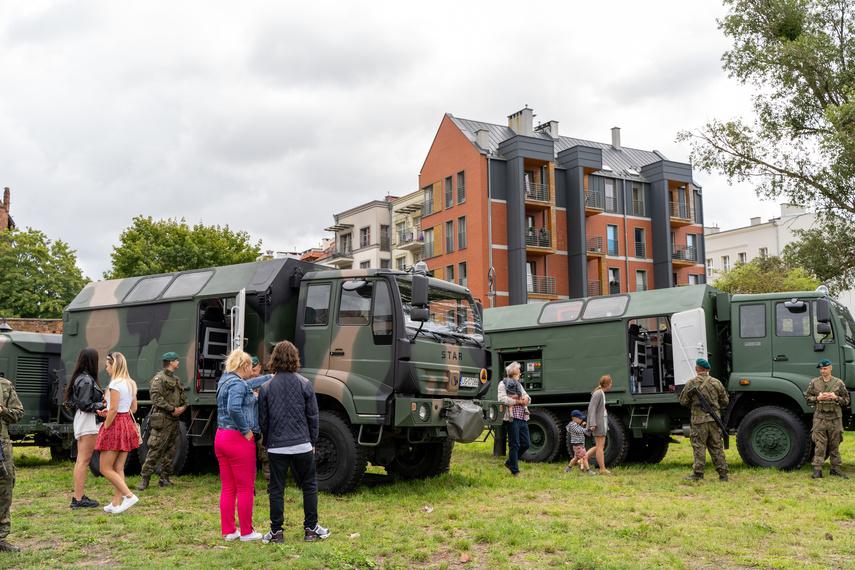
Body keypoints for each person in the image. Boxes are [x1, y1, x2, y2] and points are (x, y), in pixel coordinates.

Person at [259, 341, 330, 543]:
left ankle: (276, 532)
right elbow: (313, 417)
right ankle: (310, 529)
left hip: (276, 446)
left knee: (276, 488)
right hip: (302, 444)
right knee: (308, 485)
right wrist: (312, 441)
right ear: (295, 358)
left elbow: (263, 420)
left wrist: (268, 440)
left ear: (274, 360)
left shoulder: (265, 387)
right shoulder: (305, 383)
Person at [215, 349, 272, 542]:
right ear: (245, 366)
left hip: (221, 437)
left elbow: (247, 384)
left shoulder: (225, 381)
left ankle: (230, 531)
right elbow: (234, 407)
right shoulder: (238, 384)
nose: (252, 371)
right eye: (251, 367)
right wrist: (246, 430)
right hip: (237, 439)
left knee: (228, 488)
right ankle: (247, 532)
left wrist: (268, 377)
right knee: (246, 489)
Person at [95, 352, 140, 513]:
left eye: (107, 365)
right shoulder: (131, 383)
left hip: (115, 424)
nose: (106, 368)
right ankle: (115, 503)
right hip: (127, 423)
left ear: (114, 365)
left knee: (105, 468)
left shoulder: (115, 384)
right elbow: (133, 409)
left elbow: (113, 409)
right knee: (118, 467)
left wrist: (106, 425)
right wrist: (113, 409)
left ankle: (128, 496)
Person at [63, 347, 106, 509]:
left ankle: (78, 497)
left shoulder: (80, 378)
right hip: (88, 420)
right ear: (92, 361)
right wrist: (103, 404)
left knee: (81, 460)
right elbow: (85, 404)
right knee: (83, 460)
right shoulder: (87, 380)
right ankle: (78, 499)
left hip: (83, 419)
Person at [138, 352, 188, 491]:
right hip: (163, 419)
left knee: (171, 450)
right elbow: (156, 399)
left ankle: (164, 478)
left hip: (174, 420)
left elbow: (185, 399)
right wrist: (172, 409)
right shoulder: (159, 379)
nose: (178, 362)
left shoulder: (176, 380)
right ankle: (145, 479)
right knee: (156, 448)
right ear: (171, 362)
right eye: (177, 361)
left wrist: (182, 408)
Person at [679, 358, 728, 481]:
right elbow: (725, 401)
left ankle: (698, 474)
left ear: (696, 368)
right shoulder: (716, 383)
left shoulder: (691, 383)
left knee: (699, 446)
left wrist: (694, 403)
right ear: (708, 369)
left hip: (698, 421)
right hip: (714, 420)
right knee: (716, 446)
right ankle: (723, 475)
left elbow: (683, 401)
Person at [805, 359, 850, 479]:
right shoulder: (815, 383)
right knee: (820, 444)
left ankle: (835, 469)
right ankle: (817, 470)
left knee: (834, 444)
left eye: (825, 368)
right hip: (820, 418)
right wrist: (817, 398)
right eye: (821, 369)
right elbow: (808, 397)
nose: (822, 371)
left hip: (835, 418)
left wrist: (835, 397)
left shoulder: (838, 383)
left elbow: (846, 400)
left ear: (830, 368)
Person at [0, 373, 24, 552]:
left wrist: (3, 411)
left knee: (5, 490)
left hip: (2, 447)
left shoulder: (5, 385)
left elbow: (18, 413)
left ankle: (0, 538)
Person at [498, 362, 530, 477]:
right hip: (511, 419)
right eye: (518, 371)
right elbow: (503, 399)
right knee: (514, 445)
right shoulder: (502, 384)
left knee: (526, 444)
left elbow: (527, 396)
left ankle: (509, 462)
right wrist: (518, 401)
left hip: (522, 417)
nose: (520, 373)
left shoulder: (518, 384)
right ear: (511, 373)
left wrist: (526, 400)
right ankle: (515, 471)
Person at [249, 356, 271, 489]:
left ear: (260, 368)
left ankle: (270, 485)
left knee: (266, 456)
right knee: (248, 458)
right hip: (248, 426)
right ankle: (249, 487)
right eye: (251, 371)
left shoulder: (266, 382)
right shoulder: (243, 382)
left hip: (262, 425)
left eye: (255, 371)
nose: (253, 374)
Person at [585, 375, 613, 475]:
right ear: (608, 384)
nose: (611, 384)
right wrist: (592, 423)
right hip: (598, 422)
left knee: (600, 445)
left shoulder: (601, 393)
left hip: (602, 421)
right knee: (600, 446)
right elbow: (592, 409)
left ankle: (582, 460)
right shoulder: (598, 394)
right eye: (611, 382)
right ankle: (602, 468)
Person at [564, 410, 595, 475]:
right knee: (585, 457)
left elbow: (578, 429)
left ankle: (568, 469)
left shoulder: (575, 424)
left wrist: (582, 425)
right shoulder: (573, 425)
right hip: (578, 445)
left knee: (576, 458)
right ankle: (588, 471)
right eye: (580, 418)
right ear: (574, 418)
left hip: (578, 445)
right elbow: (579, 431)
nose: (581, 419)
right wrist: (589, 429)